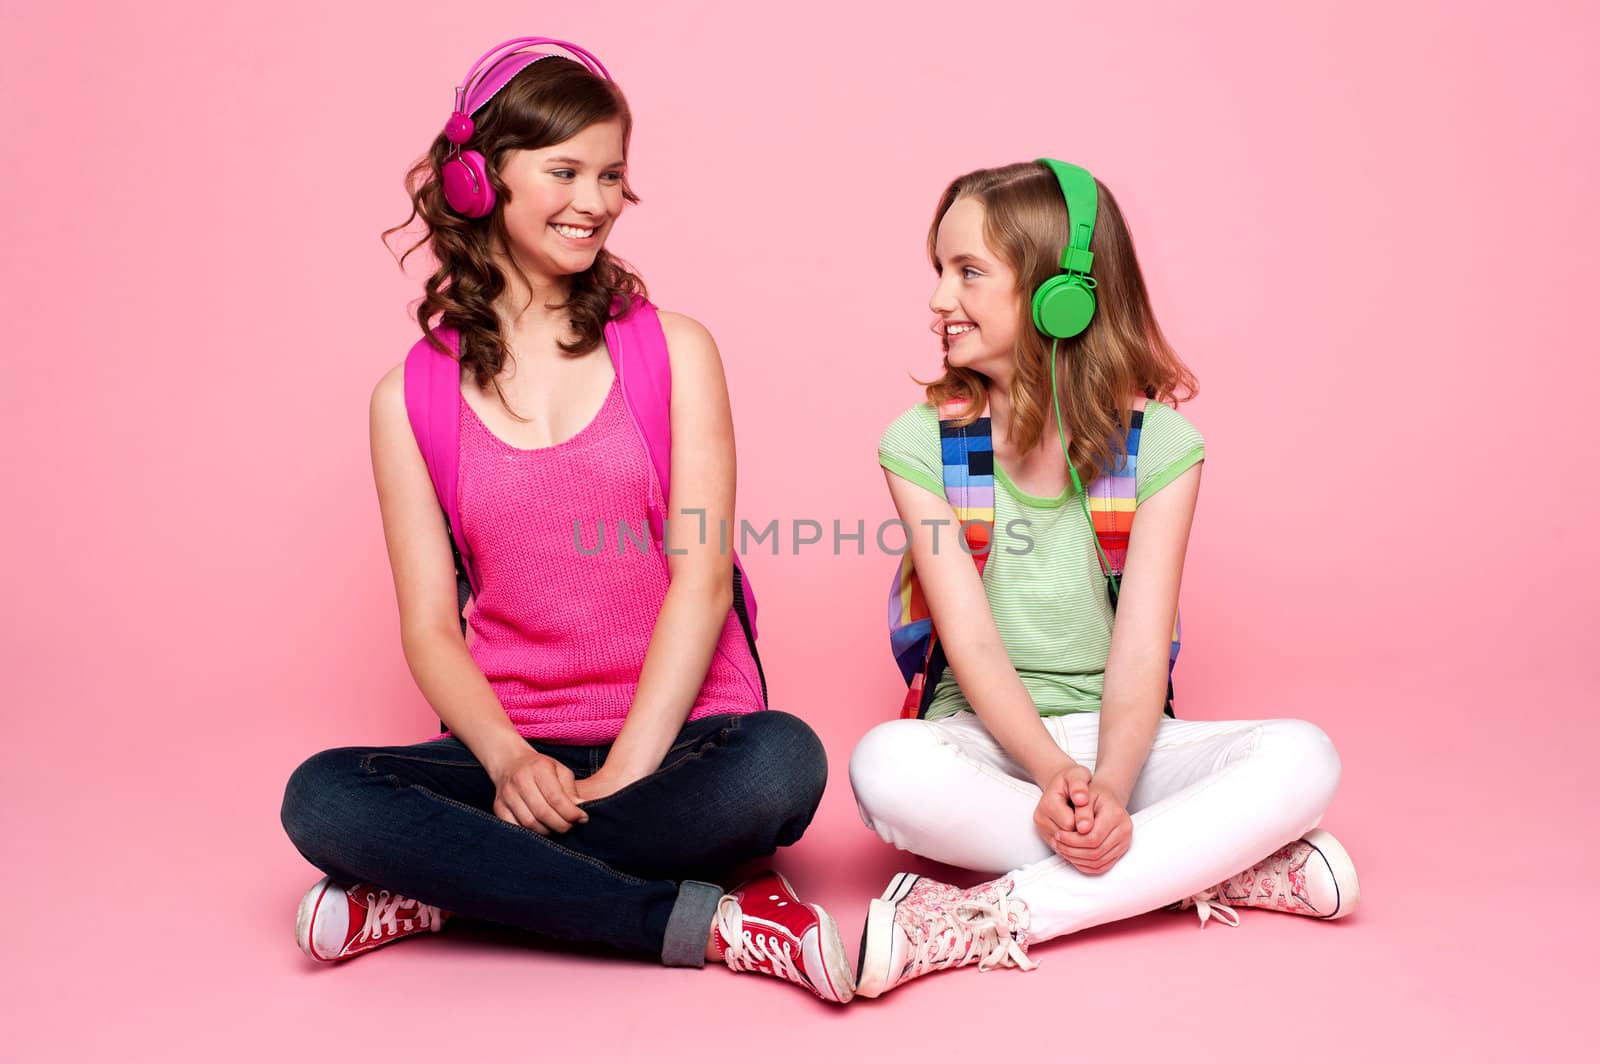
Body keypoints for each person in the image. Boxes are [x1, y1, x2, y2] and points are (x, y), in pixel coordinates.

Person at [279, 37, 852, 1004]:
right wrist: (506, 760)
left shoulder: (676, 351)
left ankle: (448, 890)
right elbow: (428, 626)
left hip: (680, 748)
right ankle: (697, 920)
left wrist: (626, 773)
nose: (595, 200)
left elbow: (703, 577)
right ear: (480, 177)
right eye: (565, 171)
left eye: (614, 174)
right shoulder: (406, 399)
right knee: (321, 794)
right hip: (510, 756)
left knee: (782, 765)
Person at [849, 159, 1360, 999]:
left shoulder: (1159, 448)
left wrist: (1112, 788)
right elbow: (970, 644)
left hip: (1128, 740)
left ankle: (993, 915)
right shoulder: (922, 444)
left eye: (969, 273)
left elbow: (1140, 651)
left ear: (1064, 294)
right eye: (938, 271)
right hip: (992, 742)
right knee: (884, 767)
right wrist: (1053, 775)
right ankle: (1208, 869)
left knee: (1308, 757)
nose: (939, 300)